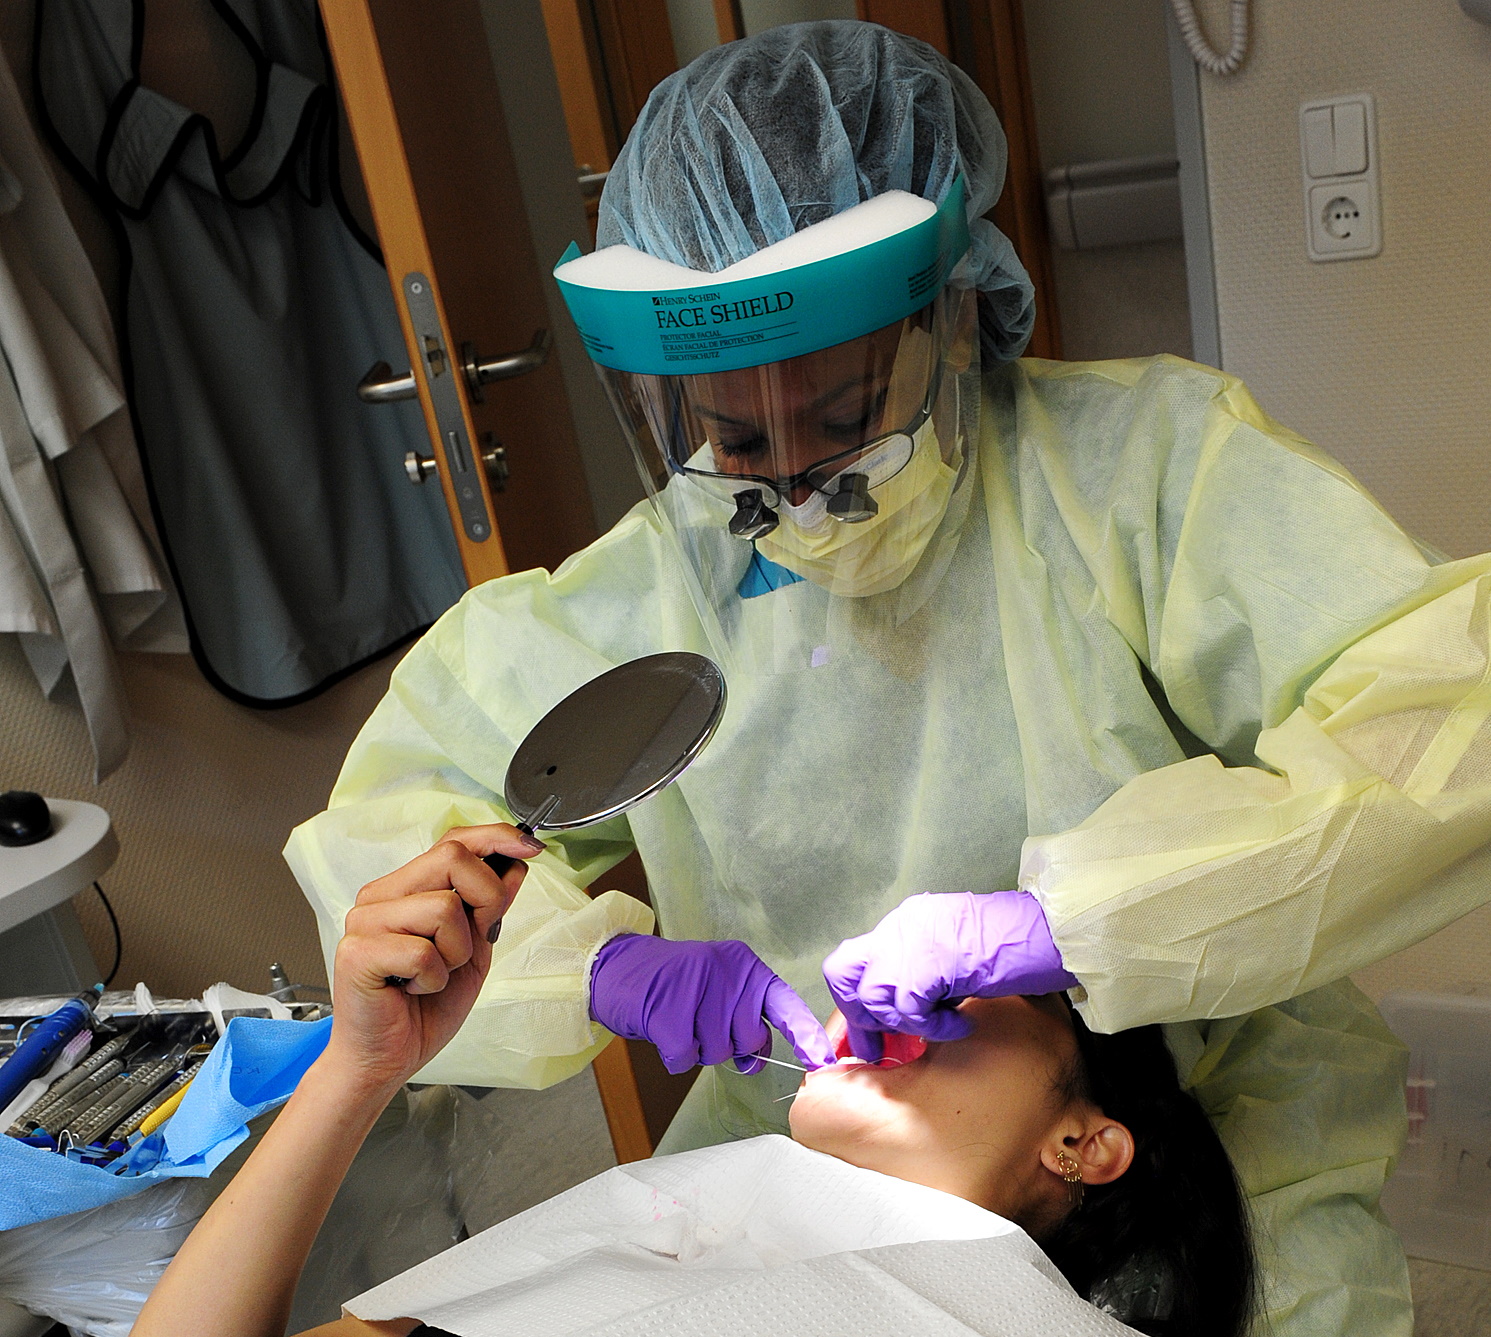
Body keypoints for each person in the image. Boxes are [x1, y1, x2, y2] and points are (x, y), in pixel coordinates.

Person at [284, 20, 1491, 1336]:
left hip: (1218, 1108)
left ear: (953, 310)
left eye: (845, 417)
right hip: (798, 1159)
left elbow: (1445, 721)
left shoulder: (1142, 480)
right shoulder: (643, 598)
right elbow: (396, 842)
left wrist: (1079, 929)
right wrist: (597, 973)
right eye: (734, 438)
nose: (794, 486)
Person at [133, 865, 1255, 1336]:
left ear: (1086, 1140)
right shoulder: (681, 1226)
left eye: (972, 989)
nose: (902, 992)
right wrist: (358, 1068)